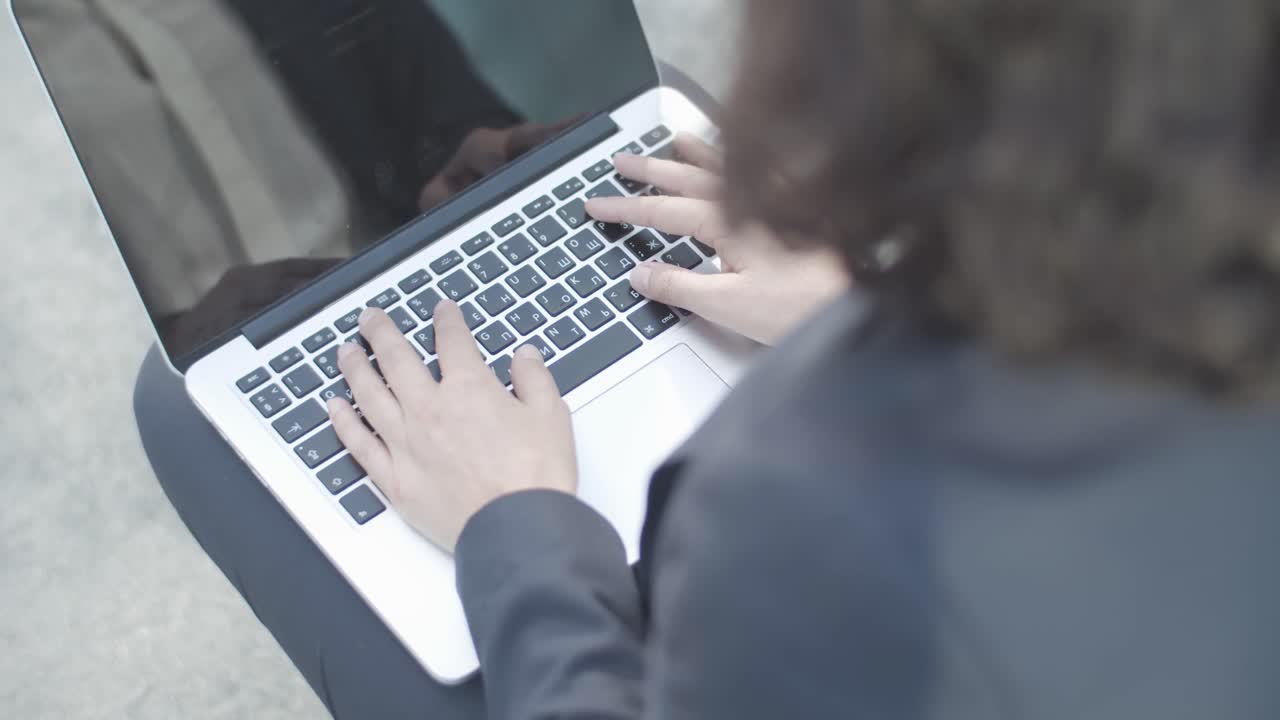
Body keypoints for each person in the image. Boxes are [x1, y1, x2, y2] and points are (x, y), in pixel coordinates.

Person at [137, 0, 1280, 717]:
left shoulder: (782, 512)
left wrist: (515, 523)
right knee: (657, 129)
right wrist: (866, 311)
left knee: (181, 405)